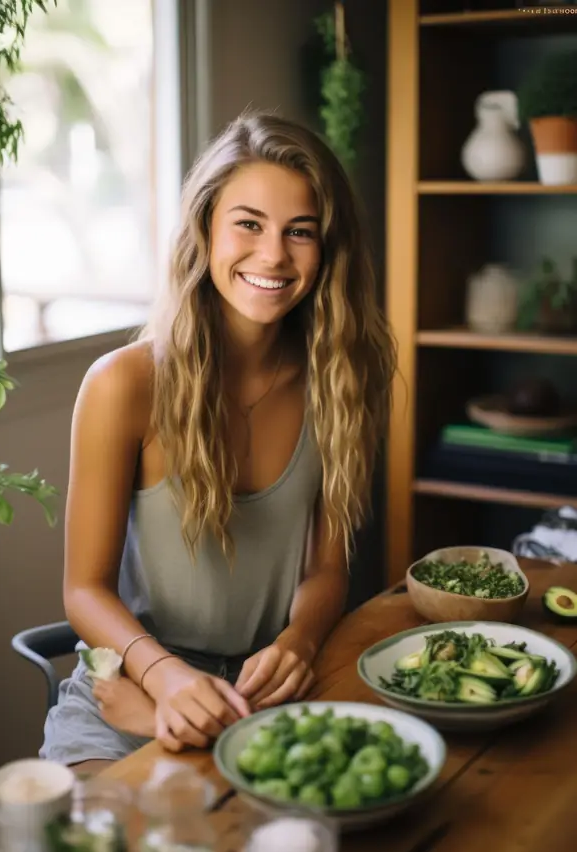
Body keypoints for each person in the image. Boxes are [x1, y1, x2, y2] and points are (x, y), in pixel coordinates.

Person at [40, 111, 396, 773]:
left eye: (301, 232)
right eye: (249, 224)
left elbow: (327, 566)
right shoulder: (124, 384)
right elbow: (84, 591)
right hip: (132, 692)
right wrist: (165, 680)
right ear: (204, 227)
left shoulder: (346, 377)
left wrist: (299, 640)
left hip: (267, 698)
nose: (273, 256)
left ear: (329, 249)